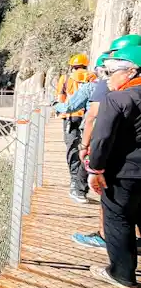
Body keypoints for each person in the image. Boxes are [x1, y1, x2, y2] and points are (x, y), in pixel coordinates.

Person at [87, 45, 141, 288]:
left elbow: (102, 139)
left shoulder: (118, 99)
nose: (109, 78)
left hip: (123, 173)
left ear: (130, 72)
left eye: (112, 71)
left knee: (118, 218)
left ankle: (122, 273)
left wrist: (96, 170)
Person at [55, 53, 95, 203]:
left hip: (70, 117)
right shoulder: (92, 77)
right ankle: (81, 183)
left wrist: (58, 109)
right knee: (86, 148)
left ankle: (74, 180)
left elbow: (61, 98)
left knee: (72, 147)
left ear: (72, 66)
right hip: (87, 117)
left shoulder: (65, 79)